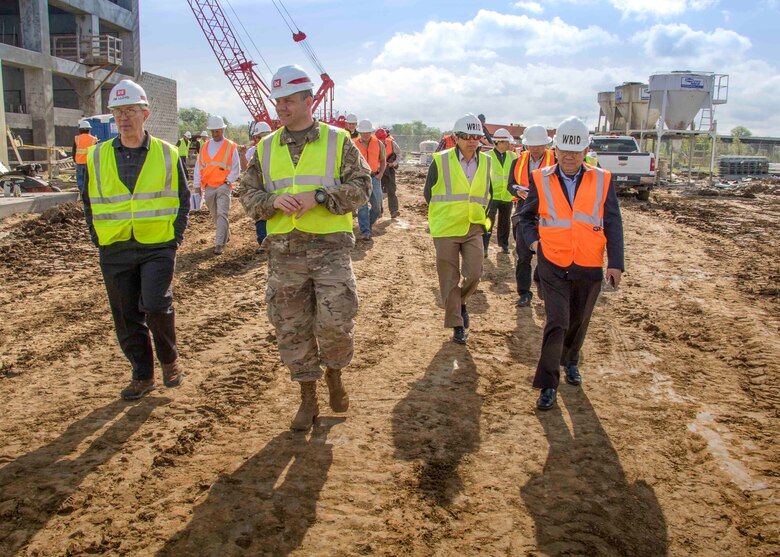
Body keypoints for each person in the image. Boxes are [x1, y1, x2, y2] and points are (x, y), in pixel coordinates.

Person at [239, 64, 371, 431]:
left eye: (289, 100)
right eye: (278, 100)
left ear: (309, 100)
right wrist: (272, 202)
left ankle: (335, 374)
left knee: (335, 324)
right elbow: (246, 193)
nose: (281, 107)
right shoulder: (265, 148)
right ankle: (308, 397)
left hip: (329, 250)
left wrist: (319, 196)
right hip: (284, 253)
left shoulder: (337, 141)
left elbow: (362, 187)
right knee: (291, 327)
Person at [81, 79, 190, 400]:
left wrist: (175, 238)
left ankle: (169, 360)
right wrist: (98, 237)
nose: (124, 117)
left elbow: (183, 198)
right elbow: (88, 200)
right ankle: (143, 376)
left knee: (156, 304)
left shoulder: (168, 153)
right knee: (126, 317)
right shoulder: (97, 156)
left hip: (157, 245)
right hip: (114, 246)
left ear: (145, 113)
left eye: (130, 110)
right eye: (118, 111)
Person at [518, 116, 624, 410]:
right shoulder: (541, 178)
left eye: (575, 151)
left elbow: (613, 222)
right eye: (564, 150)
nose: (569, 156)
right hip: (553, 262)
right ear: (556, 149)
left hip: (588, 264)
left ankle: (571, 360)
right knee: (557, 321)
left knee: (578, 322)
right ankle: (548, 382)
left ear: (587, 150)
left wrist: (616, 263)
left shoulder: (603, 179)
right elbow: (525, 217)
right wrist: (534, 243)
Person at [424, 113, 491, 344]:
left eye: (476, 136)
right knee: (449, 279)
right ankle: (457, 324)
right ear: (456, 137)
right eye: (466, 136)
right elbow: (428, 193)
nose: (471, 141)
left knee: (474, 273)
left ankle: (461, 302)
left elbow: (486, 193)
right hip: (446, 228)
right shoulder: (441, 160)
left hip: (473, 226)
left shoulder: (487, 162)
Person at [508, 124, 556, 307]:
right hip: (523, 211)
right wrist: (517, 191)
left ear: (546, 144)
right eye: (532, 145)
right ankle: (524, 293)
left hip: (548, 212)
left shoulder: (555, 160)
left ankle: (542, 284)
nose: (535, 149)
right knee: (523, 255)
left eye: (539, 145)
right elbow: (510, 184)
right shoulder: (518, 161)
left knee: (548, 254)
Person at [194, 115, 239, 255]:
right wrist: (197, 186)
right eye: (213, 131)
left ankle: (219, 243)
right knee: (215, 215)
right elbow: (198, 167)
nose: (215, 134)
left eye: (217, 131)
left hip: (224, 186)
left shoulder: (230, 146)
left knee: (222, 213)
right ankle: (226, 233)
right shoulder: (205, 146)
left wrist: (228, 180)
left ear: (223, 129)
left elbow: (236, 168)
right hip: (209, 186)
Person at [482, 128, 517, 256]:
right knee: (488, 222)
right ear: (500, 142)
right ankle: (484, 246)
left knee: (505, 222)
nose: (510, 145)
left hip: (506, 196)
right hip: (491, 196)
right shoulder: (487, 156)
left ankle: (504, 245)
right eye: (507, 142)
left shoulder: (513, 156)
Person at [240, 121, 273, 252]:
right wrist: (242, 155)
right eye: (258, 137)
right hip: (259, 188)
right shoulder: (253, 151)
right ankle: (263, 241)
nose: (260, 139)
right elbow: (245, 168)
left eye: (263, 136)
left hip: (272, 187)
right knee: (260, 214)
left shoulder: (276, 148)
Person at [353, 119, 386, 240]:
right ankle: (365, 231)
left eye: (367, 132)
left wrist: (380, 175)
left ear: (370, 131)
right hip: (359, 178)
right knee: (362, 206)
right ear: (360, 132)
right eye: (363, 132)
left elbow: (383, 160)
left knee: (377, 206)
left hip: (374, 177)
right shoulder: (353, 143)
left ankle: (369, 224)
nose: (365, 134)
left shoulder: (378, 143)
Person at [376, 127, 402, 218]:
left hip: (389, 170)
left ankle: (394, 211)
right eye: (380, 139)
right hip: (377, 171)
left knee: (392, 190)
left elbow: (399, 154)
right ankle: (379, 211)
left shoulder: (392, 143)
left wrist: (393, 163)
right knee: (377, 191)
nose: (381, 141)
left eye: (383, 138)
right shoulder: (374, 144)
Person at [72, 120, 98, 197]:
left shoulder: (77, 138)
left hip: (79, 163)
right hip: (90, 163)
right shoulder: (94, 139)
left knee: (81, 181)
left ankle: (82, 196)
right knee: (90, 180)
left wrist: (75, 160)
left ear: (80, 129)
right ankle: (90, 196)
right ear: (89, 129)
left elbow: (74, 151)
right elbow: (96, 152)